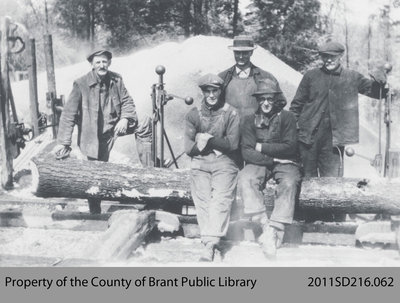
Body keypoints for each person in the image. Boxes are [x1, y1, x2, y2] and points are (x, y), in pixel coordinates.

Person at [56, 49, 152, 214]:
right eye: (98, 62)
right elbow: (68, 115)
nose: (102, 65)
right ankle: (95, 209)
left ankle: (149, 176)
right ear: (92, 65)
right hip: (93, 136)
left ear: (109, 63)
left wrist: (126, 119)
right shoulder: (81, 84)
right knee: (96, 172)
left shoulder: (116, 79)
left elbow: (127, 100)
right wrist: (64, 142)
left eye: (104, 62)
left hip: (115, 127)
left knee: (143, 123)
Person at [289, 41, 387, 178]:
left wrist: (380, 82)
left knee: (332, 182)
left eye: (332, 56)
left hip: (334, 140)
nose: (328, 60)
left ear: (341, 56)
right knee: (306, 180)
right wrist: (294, 129)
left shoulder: (352, 77)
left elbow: (378, 93)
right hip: (307, 137)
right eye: (325, 56)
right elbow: (296, 105)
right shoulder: (310, 76)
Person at [239, 79, 301, 258]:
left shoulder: (287, 117)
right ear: (257, 100)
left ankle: (275, 229)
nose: (266, 103)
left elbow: (290, 147)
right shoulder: (249, 120)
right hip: (261, 162)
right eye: (262, 99)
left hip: (286, 162)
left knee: (289, 181)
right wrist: (272, 156)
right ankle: (264, 224)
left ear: (276, 100)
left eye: (270, 99)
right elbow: (247, 152)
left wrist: (262, 147)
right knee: (246, 178)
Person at [184, 73, 240, 262]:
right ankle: (212, 243)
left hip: (224, 162)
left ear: (220, 91)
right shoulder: (194, 114)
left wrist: (207, 139)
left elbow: (232, 145)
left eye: (215, 90)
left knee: (220, 200)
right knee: (203, 201)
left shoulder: (231, 113)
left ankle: (209, 244)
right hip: (200, 163)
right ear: (202, 92)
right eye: (207, 91)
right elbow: (188, 149)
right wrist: (212, 143)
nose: (211, 95)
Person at [218, 35, 286, 117]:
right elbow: (213, 102)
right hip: (230, 127)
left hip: (255, 127)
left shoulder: (265, 77)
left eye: (245, 53)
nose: (241, 56)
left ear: (251, 52)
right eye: (237, 52)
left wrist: (265, 117)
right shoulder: (223, 77)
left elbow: (281, 101)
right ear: (233, 52)